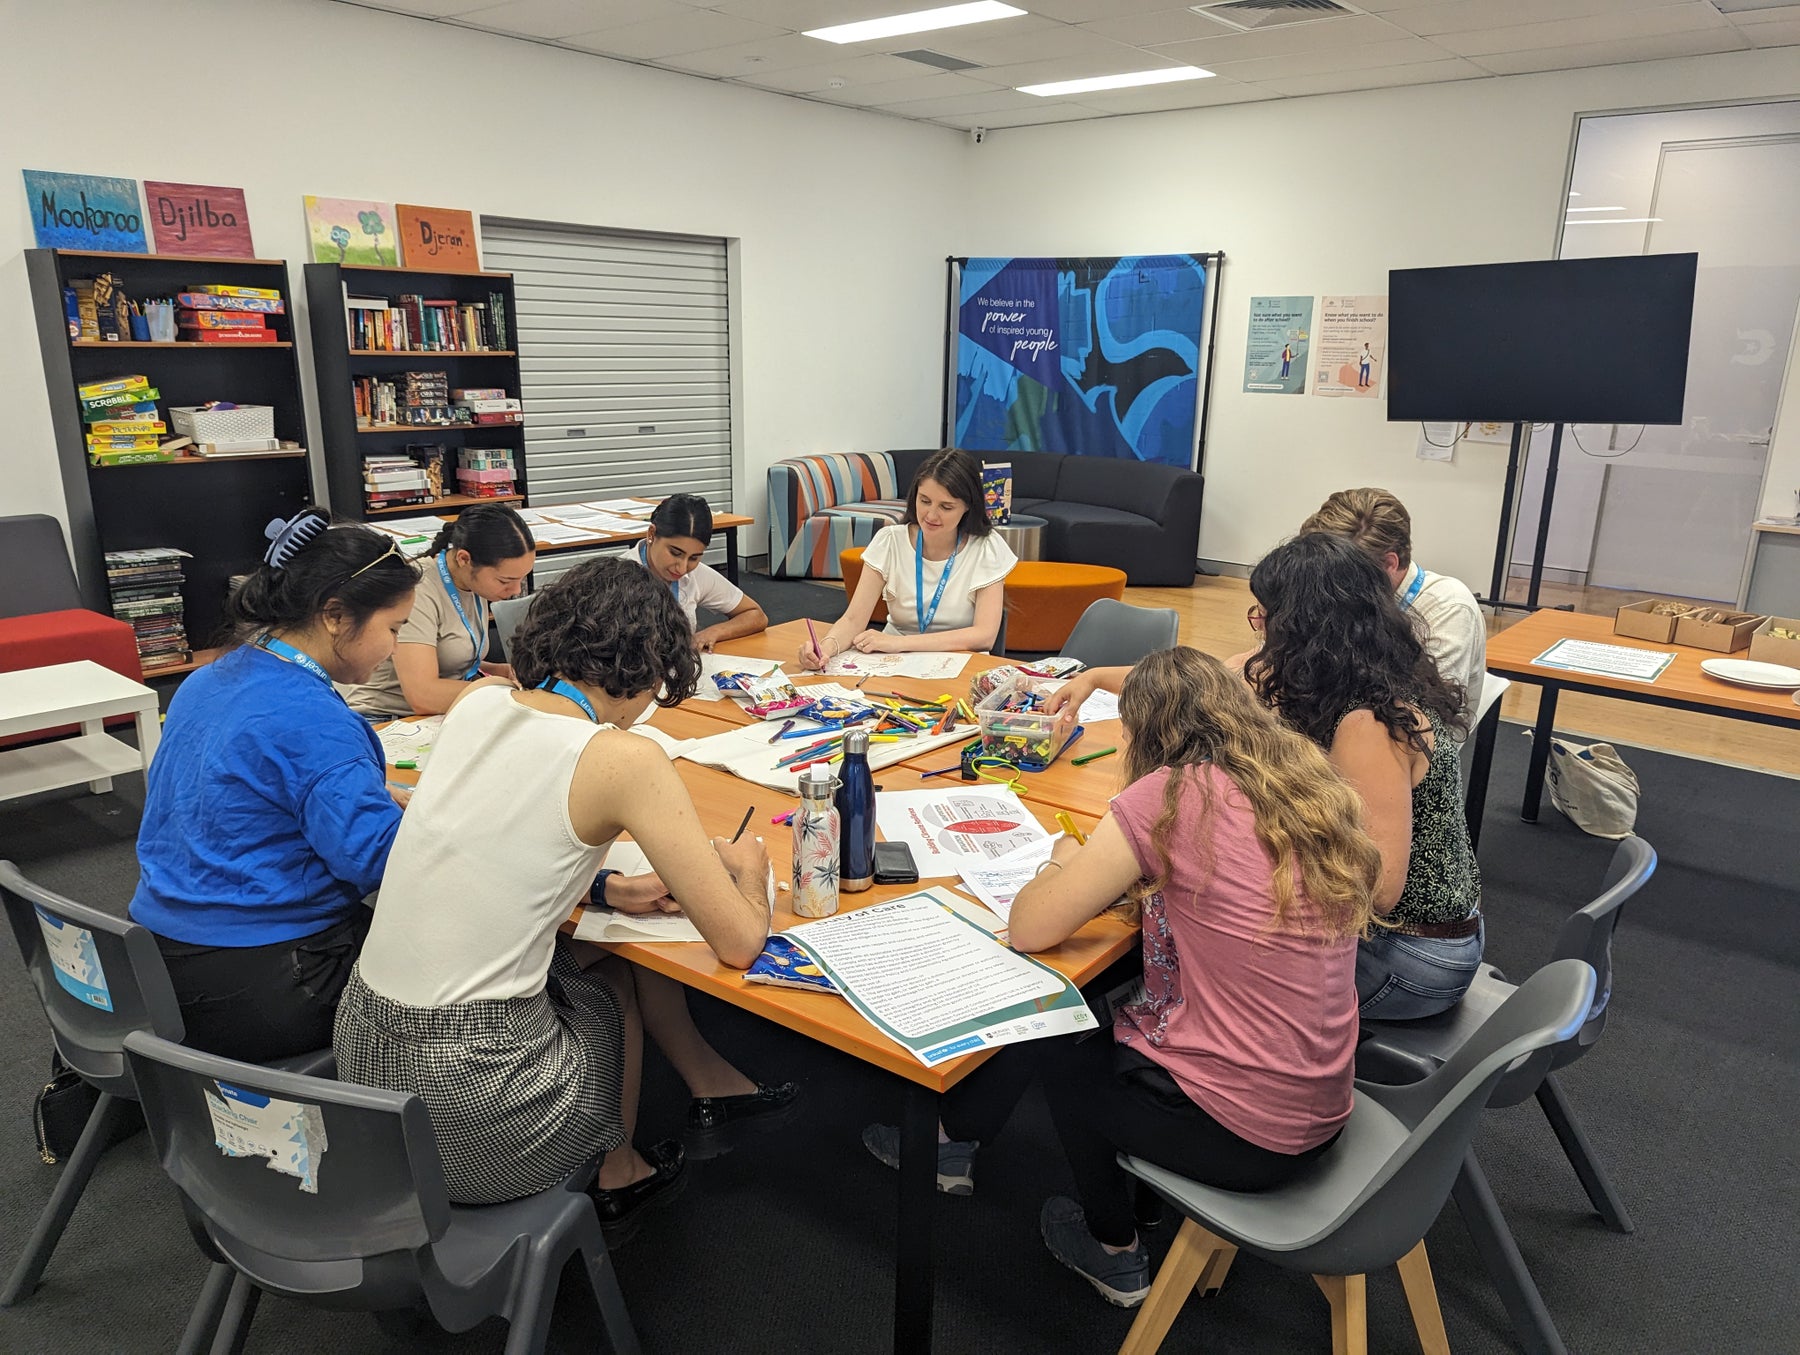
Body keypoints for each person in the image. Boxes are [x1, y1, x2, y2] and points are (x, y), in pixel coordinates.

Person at [864, 649, 1381, 1307]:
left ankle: (1113, 1247)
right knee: (1100, 997)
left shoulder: (1172, 794)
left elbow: (1030, 926)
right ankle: (957, 1136)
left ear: (1149, 737)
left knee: (1059, 1022)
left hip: (1241, 1133)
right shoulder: (1299, 781)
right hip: (1323, 1105)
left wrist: (1060, 862)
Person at [334, 558, 793, 1235]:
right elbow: (740, 942)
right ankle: (616, 1175)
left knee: (605, 963)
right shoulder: (622, 757)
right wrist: (747, 863)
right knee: (606, 993)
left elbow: (504, 841)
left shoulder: (477, 704)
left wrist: (609, 887)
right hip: (474, 1110)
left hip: (366, 1060)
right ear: (647, 668)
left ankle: (652, 1131)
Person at [1047, 534, 1481, 1021]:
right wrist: (1094, 676)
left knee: (1184, 918)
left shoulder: (1369, 724)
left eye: (1264, 614)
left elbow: (1377, 889)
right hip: (1389, 936)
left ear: (1302, 626)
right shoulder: (1336, 676)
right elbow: (1208, 682)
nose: (1258, 628)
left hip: (1411, 954)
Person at [129, 508, 419, 1062]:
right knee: (481, 974)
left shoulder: (211, 676)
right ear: (335, 615)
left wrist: (366, 801)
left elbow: (242, 794)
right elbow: (381, 863)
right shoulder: (316, 721)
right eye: (393, 628)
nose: (393, 648)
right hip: (266, 977)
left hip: (155, 961)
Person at [798, 448, 1015, 669]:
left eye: (946, 507)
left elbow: (984, 635)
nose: (931, 515)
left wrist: (899, 643)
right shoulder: (890, 541)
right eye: (925, 501)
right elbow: (853, 620)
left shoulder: (986, 547)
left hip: (961, 664)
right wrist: (824, 649)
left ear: (968, 506)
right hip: (892, 663)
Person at [1301, 487, 1485, 728]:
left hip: (1407, 742)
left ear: (1389, 563)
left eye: (1342, 573)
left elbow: (1426, 719)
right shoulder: (1345, 593)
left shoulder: (1448, 607)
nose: (1330, 584)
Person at [344, 503, 535, 719]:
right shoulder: (418, 590)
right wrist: (503, 688)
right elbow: (423, 696)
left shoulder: (474, 584)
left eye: (522, 578)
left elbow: (449, 658)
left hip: (442, 713)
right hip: (389, 718)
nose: (516, 590)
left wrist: (499, 670)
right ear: (464, 559)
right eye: (505, 580)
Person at [619, 493, 767, 652]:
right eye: (675, 553)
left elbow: (755, 615)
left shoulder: (696, 575)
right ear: (652, 535)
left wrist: (713, 632)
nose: (682, 568)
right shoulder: (618, 578)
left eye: (694, 558)